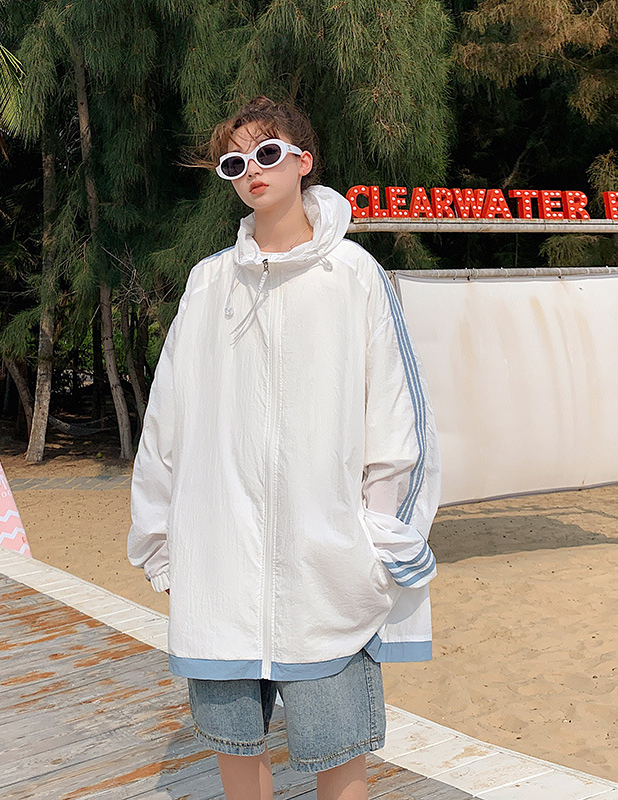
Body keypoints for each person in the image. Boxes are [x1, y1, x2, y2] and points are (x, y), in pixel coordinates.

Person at [127, 95, 442, 800]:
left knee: (340, 747)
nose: (252, 171)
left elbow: (400, 419)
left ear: (304, 161)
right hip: (219, 562)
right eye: (234, 162)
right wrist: (162, 544)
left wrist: (380, 539)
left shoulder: (353, 274)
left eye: (267, 153)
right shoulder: (210, 283)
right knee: (234, 745)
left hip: (327, 564)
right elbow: (166, 422)